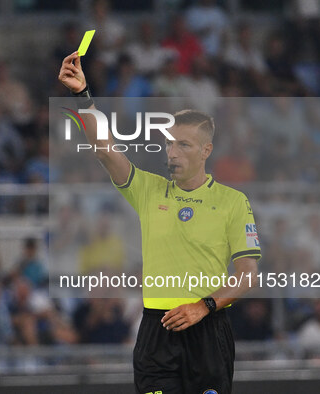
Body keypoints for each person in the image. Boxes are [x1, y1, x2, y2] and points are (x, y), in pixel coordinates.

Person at [58, 52, 261, 394]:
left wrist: (203, 306)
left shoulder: (233, 202)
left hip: (208, 330)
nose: (173, 152)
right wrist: (83, 96)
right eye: (169, 143)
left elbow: (247, 276)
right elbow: (105, 150)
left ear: (206, 150)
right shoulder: (149, 190)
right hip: (157, 329)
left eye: (184, 145)